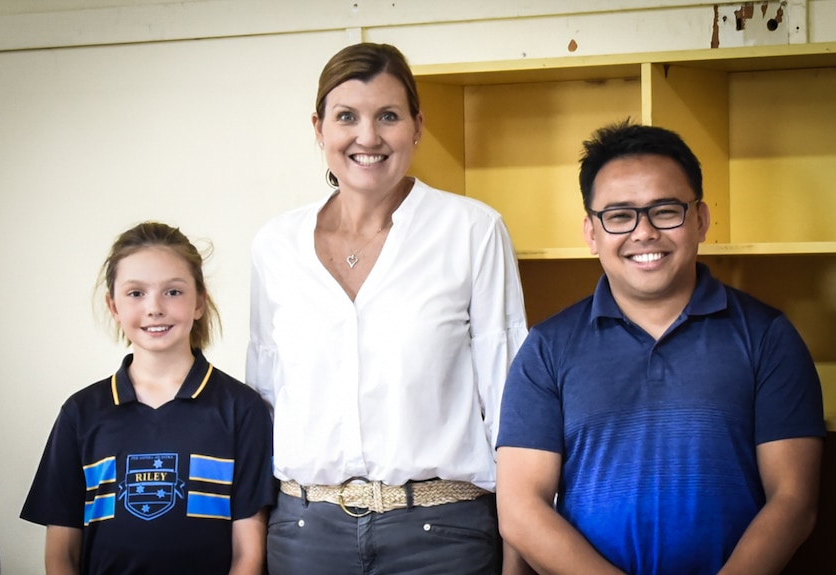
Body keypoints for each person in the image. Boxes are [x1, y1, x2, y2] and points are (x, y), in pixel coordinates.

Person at [246, 42, 529, 574]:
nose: (368, 137)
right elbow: (264, 402)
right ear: (319, 127)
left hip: (445, 534)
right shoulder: (274, 245)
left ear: (418, 125)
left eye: (389, 116)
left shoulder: (472, 230)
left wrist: (518, 554)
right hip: (303, 534)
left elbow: (510, 402)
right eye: (347, 116)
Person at [496, 120, 826, 575]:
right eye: (619, 216)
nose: (644, 232)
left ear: (701, 220)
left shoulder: (768, 336)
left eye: (666, 210)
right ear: (592, 233)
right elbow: (521, 509)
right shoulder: (547, 348)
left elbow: (793, 502)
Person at [21, 221, 276, 575]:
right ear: (114, 306)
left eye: (173, 292)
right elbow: (62, 554)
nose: (154, 308)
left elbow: (248, 554)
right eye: (136, 293)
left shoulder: (242, 409)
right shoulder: (81, 413)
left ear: (200, 301)